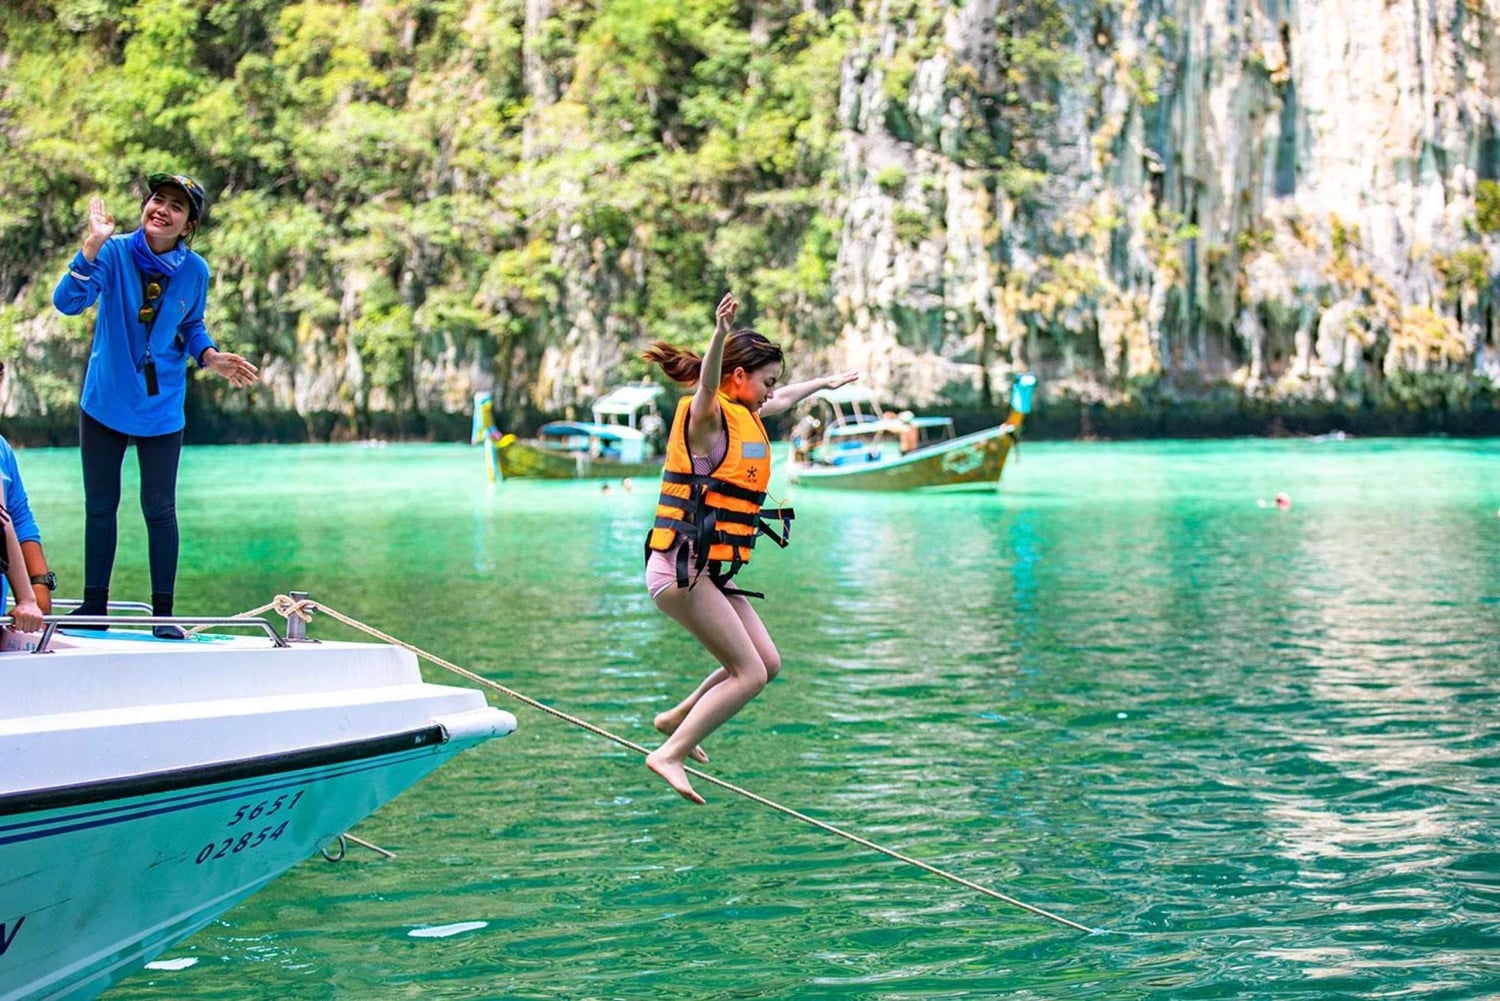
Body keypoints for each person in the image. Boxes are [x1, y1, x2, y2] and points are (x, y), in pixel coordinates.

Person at [640, 291, 858, 804]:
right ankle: (670, 750)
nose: (772, 394)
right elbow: (710, 386)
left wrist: (822, 383)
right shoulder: (707, 417)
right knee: (750, 674)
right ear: (738, 378)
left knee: (768, 663)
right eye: (766, 381)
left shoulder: (748, 416)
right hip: (680, 570)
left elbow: (782, 401)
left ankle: (677, 716)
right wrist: (719, 335)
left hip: (708, 572)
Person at [53, 172, 260, 638]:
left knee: (160, 509)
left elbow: (192, 325)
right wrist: (90, 245)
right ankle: (94, 607)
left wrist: (209, 357)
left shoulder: (195, 271)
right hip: (105, 399)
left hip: (163, 405)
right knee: (101, 505)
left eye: (176, 206)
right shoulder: (114, 251)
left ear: (188, 225)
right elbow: (67, 302)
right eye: (157, 199)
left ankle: (163, 615)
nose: (162, 209)